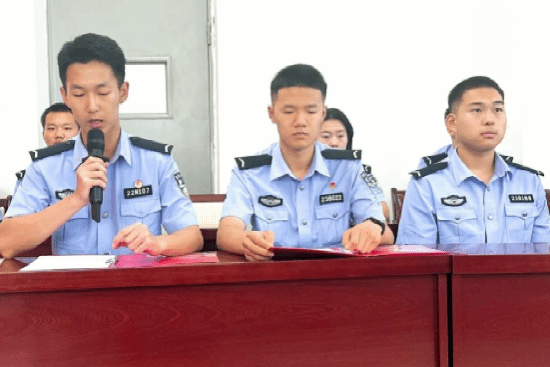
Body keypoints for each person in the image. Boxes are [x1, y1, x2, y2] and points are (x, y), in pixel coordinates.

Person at [0, 33, 203, 258]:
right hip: (74, 281)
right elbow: (6, 242)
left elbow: (192, 236)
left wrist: (158, 243)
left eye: (103, 92)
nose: (92, 106)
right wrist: (75, 200)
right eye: (79, 94)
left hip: (137, 280)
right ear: (65, 96)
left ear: (123, 92)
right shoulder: (46, 167)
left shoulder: (155, 161)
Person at [217, 64, 393, 262]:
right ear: (272, 114)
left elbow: (383, 230)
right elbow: (227, 232)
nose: (300, 121)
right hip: (274, 275)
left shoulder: (347, 167)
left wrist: (371, 227)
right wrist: (246, 242)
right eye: (289, 111)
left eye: (310, 111)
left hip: (338, 274)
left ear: (323, 114)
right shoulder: (249, 172)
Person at [397, 76, 550, 244]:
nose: (490, 119)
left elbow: (543, 253)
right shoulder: (427, 184)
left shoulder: (528, 181)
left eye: (498, 109)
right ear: (452, 123)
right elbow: (417, 257)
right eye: (477, 110)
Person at [318, 107, 390, 220]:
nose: (334, 143)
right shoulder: (303, 171)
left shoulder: (359, 171)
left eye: (340, 136)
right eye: (326, 137)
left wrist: (356, 203)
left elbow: (384, 211)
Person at [14, 103, 79, 195]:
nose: (59, 135)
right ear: (43, 134)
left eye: (67, 128)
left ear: (80, 133)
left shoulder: (91, 167)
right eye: (51, 128)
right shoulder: (32, 175)